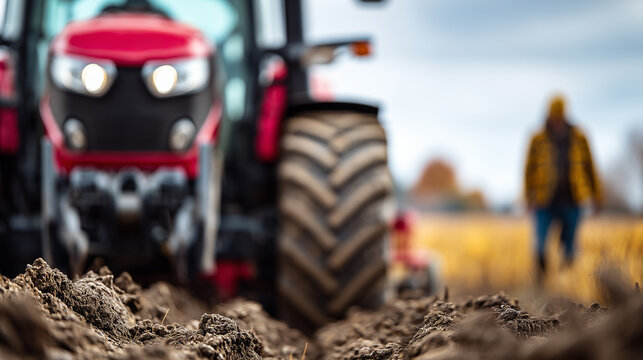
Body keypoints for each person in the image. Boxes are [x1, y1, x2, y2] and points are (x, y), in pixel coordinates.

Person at [524, 94, 602, 276]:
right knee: (540, 245)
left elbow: (590, 166)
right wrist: (529, 196)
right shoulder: (537, 138)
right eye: (554, 116)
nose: (557, 120)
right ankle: (541, 279)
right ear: (549, 115)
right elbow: (528, 169)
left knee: (570, 247)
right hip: (544, 200)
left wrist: (596, 196)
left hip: (572, 199)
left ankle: (565, 281)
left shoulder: (579, 137)